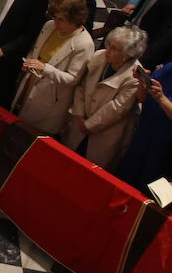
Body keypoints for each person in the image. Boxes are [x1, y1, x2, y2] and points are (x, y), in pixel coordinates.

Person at [62, 24, 147, 170]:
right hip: (79, 122)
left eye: (115, 49)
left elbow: (117, 109)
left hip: (104, 134)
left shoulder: (133, 76)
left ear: (127, 55)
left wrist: (88, 126)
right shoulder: (99, 56)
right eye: (109, 45)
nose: (108, 51)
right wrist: (80, 115)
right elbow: (81, 87)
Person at [12, 0, 95, 135]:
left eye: (61, 20)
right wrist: (29, 61)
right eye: (55, 18)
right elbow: (36, 50)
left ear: (75, 19)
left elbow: (72, 79)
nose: (56, 23)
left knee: (31, 135)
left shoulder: (84, 44)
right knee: (17, 124)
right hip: (30, 82)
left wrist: (45, 68)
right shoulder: (49, 26)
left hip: (50, 96)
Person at [116, 62, 172, 194]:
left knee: (146, 188)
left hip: (164, 144)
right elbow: (142, 99)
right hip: (143, 132)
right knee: (124, 180)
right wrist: (142, 81)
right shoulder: (169, 67)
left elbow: (160, 98)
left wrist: (161, 98)